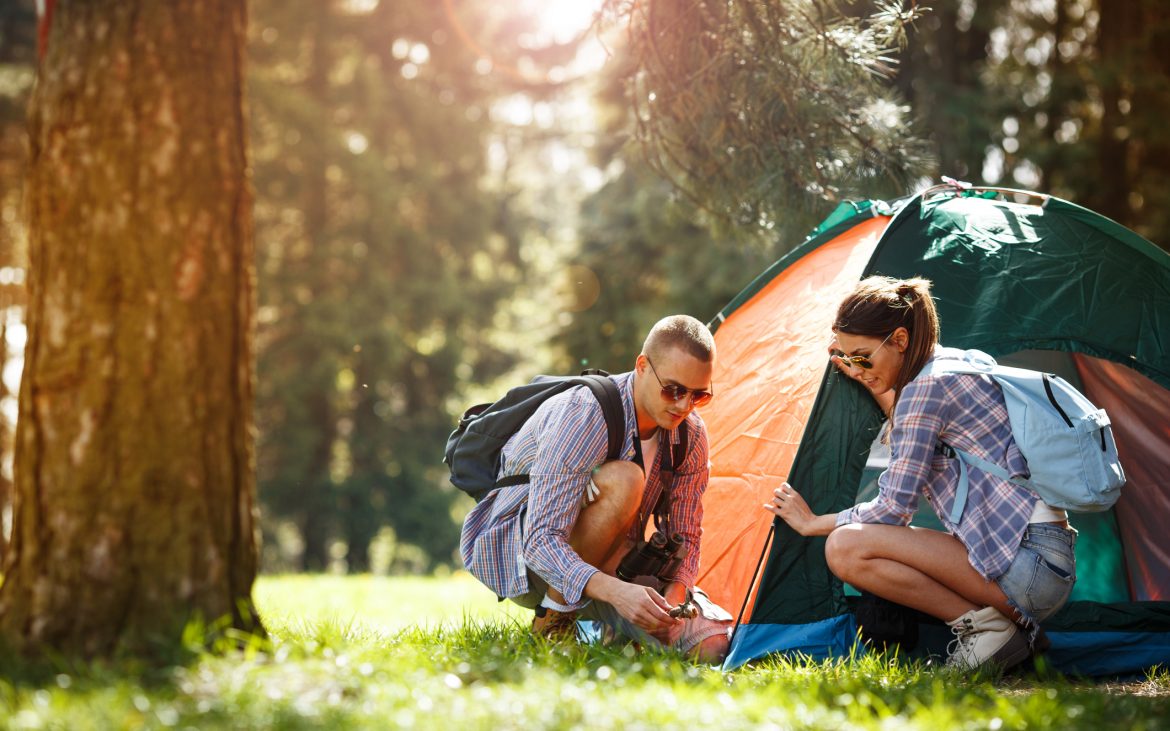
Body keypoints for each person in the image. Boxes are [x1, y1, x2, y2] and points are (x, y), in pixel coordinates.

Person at [764, 276, 1077, 671]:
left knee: (844, 547)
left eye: (862, 356)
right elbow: (910, 416)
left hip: (1027, 565)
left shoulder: (924, 392)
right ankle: (1008, 627)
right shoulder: (949, 365)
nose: (857, 368)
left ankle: (989, 630)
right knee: (853, 542)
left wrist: (813, 523)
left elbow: (895, 509)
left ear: (899, 340)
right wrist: (868, 372)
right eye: (849, 358)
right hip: (1042, 560)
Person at [460, 315, 732, 662]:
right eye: (674, 390)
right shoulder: (585, 412)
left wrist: (677, 594)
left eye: (699, 395)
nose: (684, 406)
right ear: (643, 366)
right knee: (626, 480)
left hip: (617, 561)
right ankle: (554, 620)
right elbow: (540, 540)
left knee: (711, 647)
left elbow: (687, 535)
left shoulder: (690, 434)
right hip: (523, 558)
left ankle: (620, 634)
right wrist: (619, 593)